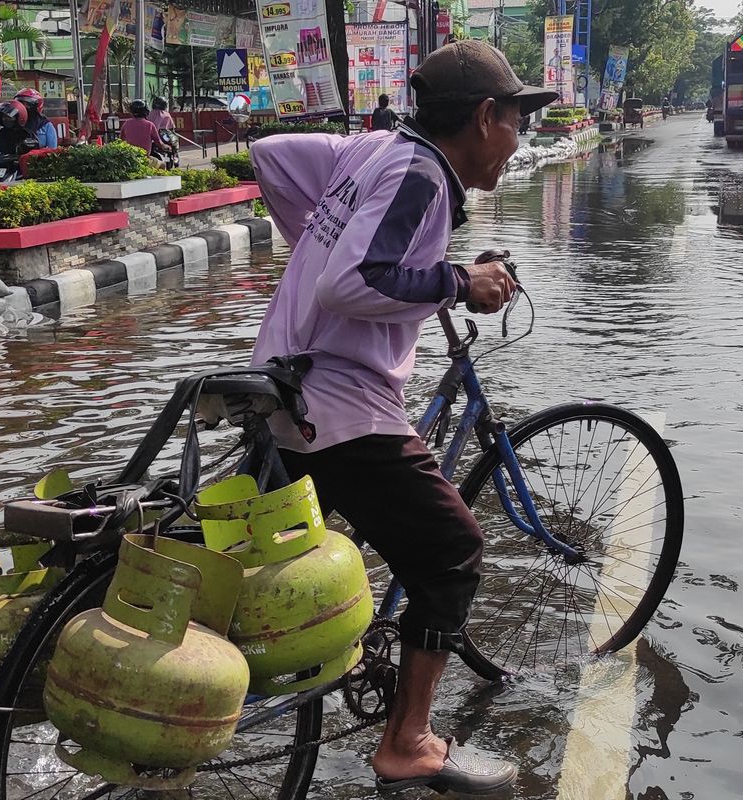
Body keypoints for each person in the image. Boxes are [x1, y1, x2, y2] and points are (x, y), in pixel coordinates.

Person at [249, 40, 557, 796]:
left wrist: (315, 252)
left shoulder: (377, 149)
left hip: (279, 379)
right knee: (453, 551)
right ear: (486, 118)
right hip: (337, 400)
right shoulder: (421, 172)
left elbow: (271, 156)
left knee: (249, 561)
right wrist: (457, 281)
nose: (520, 142)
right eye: (518, 122)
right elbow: (352, 281)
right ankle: (409, 743)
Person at [121, 98, 165, 164]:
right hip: (145, 159)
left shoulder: (126, 123)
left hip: (130, 159)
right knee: (163, 165)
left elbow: (121, 140)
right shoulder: (150, 125)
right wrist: (166, 147)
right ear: (146, 111)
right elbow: (159, 143)